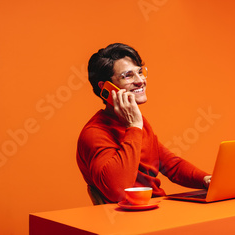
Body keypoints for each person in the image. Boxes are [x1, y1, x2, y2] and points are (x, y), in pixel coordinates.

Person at [76, 43, 211, 204]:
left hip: (156, 209)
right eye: (128, 75)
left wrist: (207, 180)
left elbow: (171, 165)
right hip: (126, 221)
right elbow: (117, 191)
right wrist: (133, 126)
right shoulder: (94, 133)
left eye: (140, 72)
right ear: (105, 88)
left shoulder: (138, 123)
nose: (140, 81)